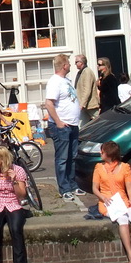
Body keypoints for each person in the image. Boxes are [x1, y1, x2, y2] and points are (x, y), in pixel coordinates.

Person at [92, 141, 131, 263]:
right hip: (108, 201)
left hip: (122, 199)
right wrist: (103, 197)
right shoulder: (99, 168)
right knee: (122, 219)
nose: (100, 154)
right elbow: (95, 188)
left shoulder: (125, 167)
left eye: (102, 152)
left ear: (108, 154)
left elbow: (129, 186)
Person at [44, 53, 83, 203]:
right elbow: (49, 103)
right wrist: (58, 121)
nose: (71, 65)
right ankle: (64, 188)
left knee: (72, 157)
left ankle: (72, 184)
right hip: (62, 126)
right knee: (62, 158)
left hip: (72, 124)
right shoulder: (55, 82)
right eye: (68, 63)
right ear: (64, 66)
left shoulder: (66, 80)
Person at [74, 54, 100, 125]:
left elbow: (87, 89)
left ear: (81, 62)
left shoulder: (87, 72)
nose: (75, 64)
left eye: (76, 62)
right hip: (84, 106)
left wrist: (82, 104)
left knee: (99, 122)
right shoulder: (81, 72)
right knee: (80, 126)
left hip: (90, 105)